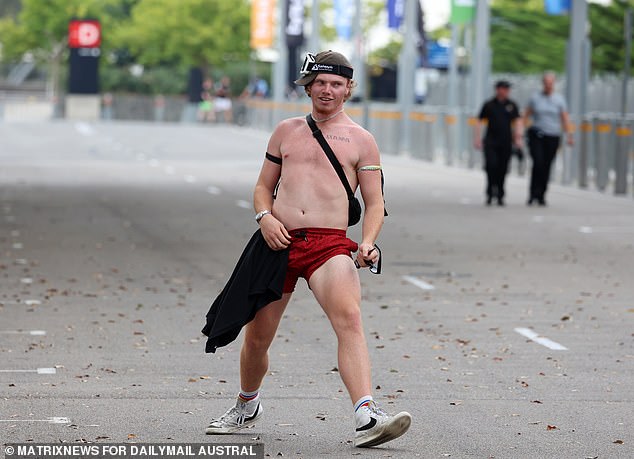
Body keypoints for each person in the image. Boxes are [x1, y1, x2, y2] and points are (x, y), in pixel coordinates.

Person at [204, 50, 412, 448]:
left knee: (349, 320)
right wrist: (264, 217)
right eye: (320, 83)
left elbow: (375, 203)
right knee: (258, 336)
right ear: (308, 87)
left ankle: (367, 414)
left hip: (328, 245)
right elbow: (263, 188)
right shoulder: (286, 131)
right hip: (276, 240)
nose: (327, 90)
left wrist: (367, 243)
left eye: (336, 83)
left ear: (349, 88)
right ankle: (247, 404)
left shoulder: (362, 141)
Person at [523, 72, 574, 206]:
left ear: (554, 84)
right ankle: (532, 193)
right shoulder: (535, 98)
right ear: (543, 83)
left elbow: (564, 118)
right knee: (538, 162)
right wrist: (520, 132)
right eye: (546, 83)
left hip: (553, 135)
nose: (548, 85)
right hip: (537, 134)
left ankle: (542, 194)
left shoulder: (559, 100)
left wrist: (569, 135)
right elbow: (526, 116)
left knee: (546, 165)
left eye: (550, 83)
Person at [474, 80, 523, 206]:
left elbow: (518, 121)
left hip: (506, 141)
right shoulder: (489, 104)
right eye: (503, 88)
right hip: (491, 141)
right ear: (498, 89)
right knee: (491, 166)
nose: (505, 91)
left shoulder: (512, 105)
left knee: (502, 168)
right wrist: (477, 138)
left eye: (507, 89)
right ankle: (490, 193)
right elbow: (479, 121)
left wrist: (518, 138)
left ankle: (500, 194)